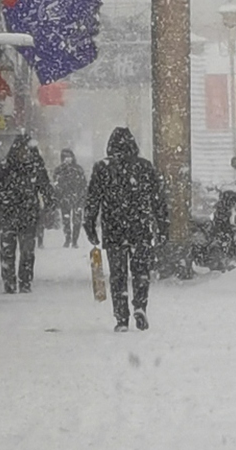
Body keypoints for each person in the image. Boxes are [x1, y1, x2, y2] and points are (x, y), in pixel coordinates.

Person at [84, 127, 169, 332]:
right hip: (140, 227)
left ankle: (121, 318)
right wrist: (162, 226)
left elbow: (92, 200)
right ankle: (140, 305)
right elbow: (158, 200)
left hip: (114, 229)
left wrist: (89, 225)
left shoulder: (102, 168)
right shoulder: (144, 167)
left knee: (118, 275)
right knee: (141, 271)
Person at [0, 134, 55, 294]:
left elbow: (46, 188)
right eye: (23, 149)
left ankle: (25, 282)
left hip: (26, 214)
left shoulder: (35, 166)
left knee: (27, 251)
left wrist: (50, 206)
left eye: (27, 149)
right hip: (10, 214)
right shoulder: (4, 167)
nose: (24, 152)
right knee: (8, 250)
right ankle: (9, 282)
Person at [53, 148, 87, 248]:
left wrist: (82, 196)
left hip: (77, 197)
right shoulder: (59, 170)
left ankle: (75, 240)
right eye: (65, 157)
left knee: (77, 220)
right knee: (66, 220)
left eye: (69, 157)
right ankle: (68, 239)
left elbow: (83, 184)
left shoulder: (78, 169)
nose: (68, 159)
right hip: (65, 198)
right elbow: (56, 184)